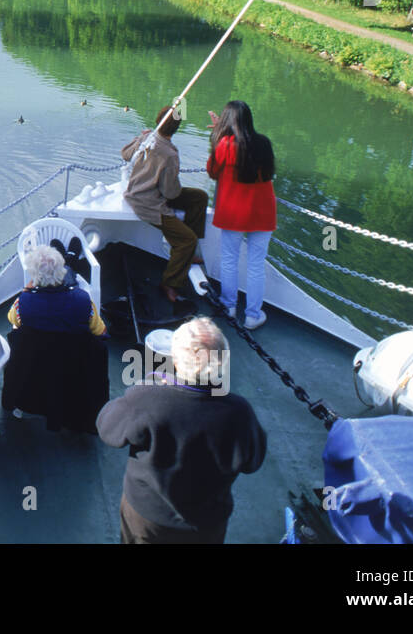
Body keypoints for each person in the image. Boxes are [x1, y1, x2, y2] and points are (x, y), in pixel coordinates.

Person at [98, 317, 266, 543]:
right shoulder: (239, 412)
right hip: (205, 524)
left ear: (176, 359)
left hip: (148, 519)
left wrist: (148, 385)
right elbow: (252, 462)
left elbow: (107, 428)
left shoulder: (148, 396)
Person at [2, 246, 109, 433]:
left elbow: (13, 321)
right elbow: (100, 331)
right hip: (73, 370)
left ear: (34, 276)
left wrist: (27, 290)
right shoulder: (83, 300)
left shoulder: (23, 302)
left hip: (37, 368)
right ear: (62, 271)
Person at [121, 105, 209, 302]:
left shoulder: (148, 138)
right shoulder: (169, 153)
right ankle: (170, 283)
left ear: (157, 121)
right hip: (148, 203)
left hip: (144, 192)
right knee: (187, 240)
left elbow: (125, 154)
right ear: (177, 128)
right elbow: (170, 192)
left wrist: (140, 138)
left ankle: (189, 256)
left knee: (199, 197)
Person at [207, 101, 276, 330]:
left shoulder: (224, 145)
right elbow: (269, 173)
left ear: (227, 121)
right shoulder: (264, 143)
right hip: (262, 211)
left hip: (234, 213)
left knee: (229, 260)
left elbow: (212, 171)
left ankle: (229, 306)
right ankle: (253, 315)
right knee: (256, 265)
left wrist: (217, 135)